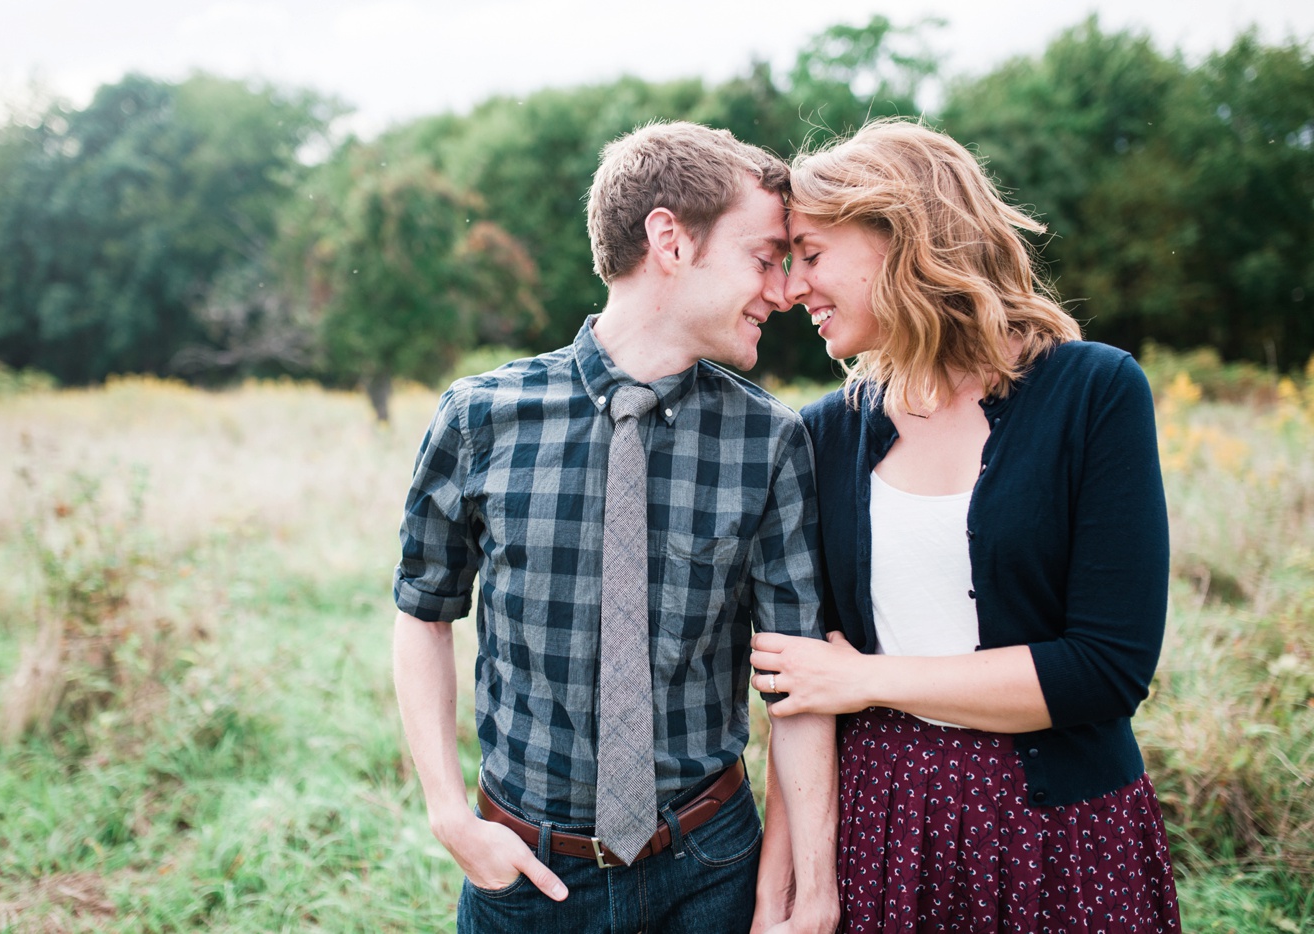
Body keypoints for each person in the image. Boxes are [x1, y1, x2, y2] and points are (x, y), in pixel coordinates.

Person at [393, 121, 839, 934]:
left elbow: (796, 687)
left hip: (712, 868)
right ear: (669, 239)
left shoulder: (772, 441)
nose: (782, 291)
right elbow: (422, 612)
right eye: (763, 256)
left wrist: (812, 887)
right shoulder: (479, 418)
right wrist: (449, 815)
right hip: (525, 878)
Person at [749, 119, 1182, 931]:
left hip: (1063, 835)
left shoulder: (1095, 393)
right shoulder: (821, 435)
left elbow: (1106, 669)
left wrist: (870, 679)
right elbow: (802, 692)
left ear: (902, 234)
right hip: (881, 831)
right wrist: (787, 895)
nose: (791, 288)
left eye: (810, 254)